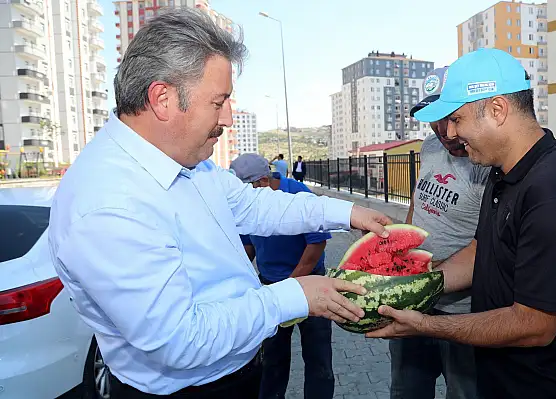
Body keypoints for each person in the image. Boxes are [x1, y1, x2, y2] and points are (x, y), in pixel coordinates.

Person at [47, 9, 391, 398]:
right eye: (218, 101)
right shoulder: (107, 203)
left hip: (237, 371)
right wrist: (295, 295)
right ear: (162, 98)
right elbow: (178, 340)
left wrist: (345, 212)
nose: (227, 117)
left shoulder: (187, 161)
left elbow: (255, 207)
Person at [367, 48, 556, 399]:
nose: (452, 133)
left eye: (457, 119)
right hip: (504, 379)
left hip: (552, 387)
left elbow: (534, 326)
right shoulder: (507, 174)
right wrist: (415, 288)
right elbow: (481, 251)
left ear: (497, 110)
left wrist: (427, 325)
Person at [388, 67, 488, 399]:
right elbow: (419, 202)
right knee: (406, 390)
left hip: (463, 312)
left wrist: (425, 277)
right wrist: (398, 252)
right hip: (413, 300)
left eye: (450, 117)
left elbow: (488, 248)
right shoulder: (430, 147)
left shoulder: (486, 162)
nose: (444, 131)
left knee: (465, 392)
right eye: (434, 118)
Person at [231, 153, 334, 399]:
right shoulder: (245, 204)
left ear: (263, 181)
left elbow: (316, 244)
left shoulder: (298, 193)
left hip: (310, 285)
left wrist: (291, 286)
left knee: (318, 358)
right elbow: (248, 247)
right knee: (271, 361)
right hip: (270, 285)